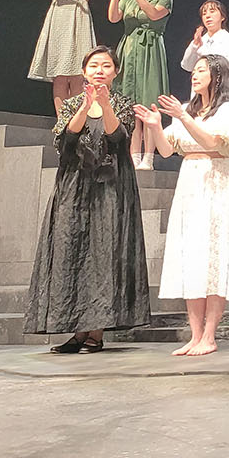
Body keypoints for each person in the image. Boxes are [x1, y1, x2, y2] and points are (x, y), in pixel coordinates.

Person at [23, 46, 151, 353]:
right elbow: (65, 140)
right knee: (73, 250)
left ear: (115, 72)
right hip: (75, 186)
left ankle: (96, 332)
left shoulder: (122, 103)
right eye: (94, 65)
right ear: (84, 72)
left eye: (106, 66)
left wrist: (104, 105)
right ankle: (78, 331)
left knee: (104, 254)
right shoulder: (71, 104)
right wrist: (84, 107)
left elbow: (118, 138)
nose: (99, 70)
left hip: (111, 186)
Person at [135, 54, 229, 357]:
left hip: (218, 184)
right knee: (191, 257)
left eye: (201, 70)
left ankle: (210, 335)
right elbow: (166, 150)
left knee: (215, 256)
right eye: (194, 70)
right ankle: (195, 335)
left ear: (218, 75)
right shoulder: (187, 109)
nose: (194, 75)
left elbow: (212, 142)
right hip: (190, 186)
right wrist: (155, 126)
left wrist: (184, 118)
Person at [28, 0, 101, 113]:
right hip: (58, 18)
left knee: (77, 73)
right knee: (59, 75)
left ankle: (77, 120)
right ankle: (62, 121)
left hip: (78, 17)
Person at [108, 0, 174, 109]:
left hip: (150, 47)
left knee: (149, 88)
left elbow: (154, 14)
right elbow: (113, 18)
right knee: (125, 86)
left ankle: (148, 120)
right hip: (129, 46)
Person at [181, 0, 229, 74]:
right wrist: (194, 46)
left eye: (212, 11)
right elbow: (187, 66)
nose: (207, 16)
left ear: (222, 17)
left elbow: (227, 65)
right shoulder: (198, 42)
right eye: (204, 14)